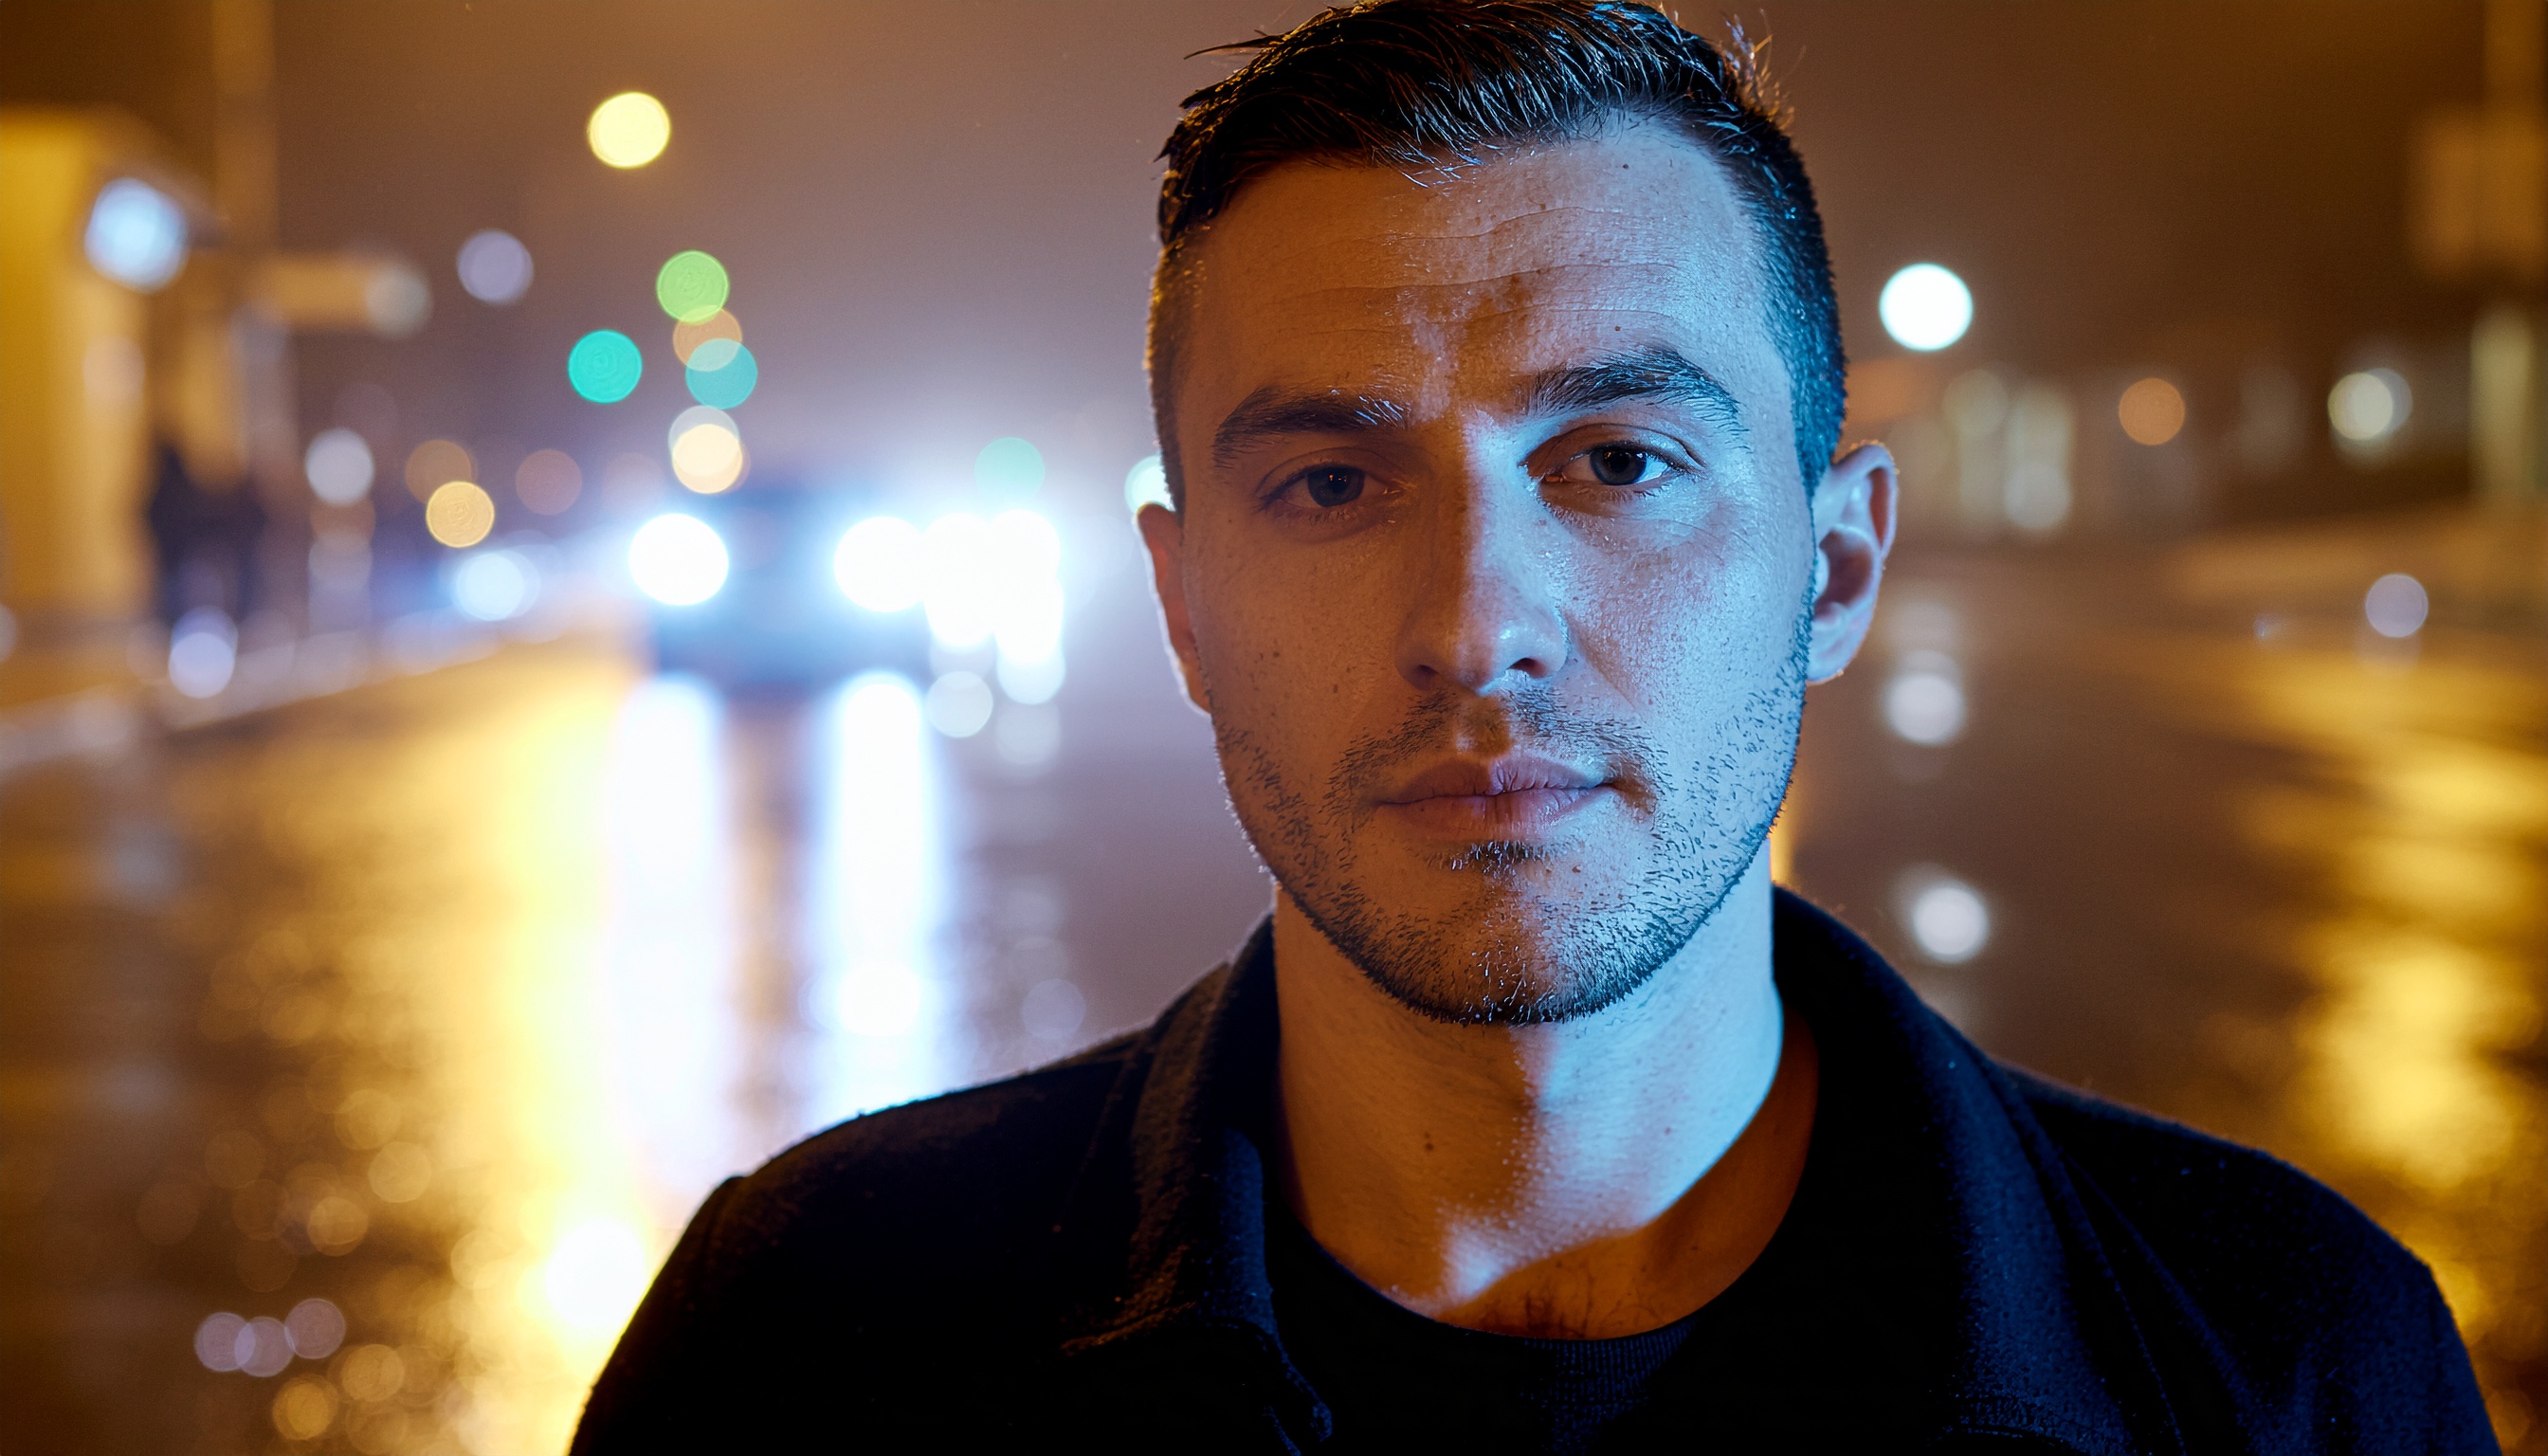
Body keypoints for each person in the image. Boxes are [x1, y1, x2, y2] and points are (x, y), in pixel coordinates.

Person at [572, 3, 2494, 1450]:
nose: (1477, 625)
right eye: (1333, 484)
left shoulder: (2287, 1368)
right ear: (1185, 608)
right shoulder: (804, 1346)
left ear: (1833, 568)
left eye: (1617, 460)